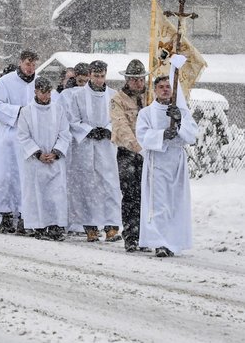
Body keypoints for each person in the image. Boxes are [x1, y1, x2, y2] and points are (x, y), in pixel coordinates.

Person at [135, 75, 199, 257]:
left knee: (175, 203)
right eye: (161, 87)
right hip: (158, 162)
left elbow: (192, 134)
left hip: (176, 162)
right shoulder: (146, 113)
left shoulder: (181, 111)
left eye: (168, 87)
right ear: (155, 90)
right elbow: (142, 136)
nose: (165, 90)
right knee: (160, 203)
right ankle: (160, 242)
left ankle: (173, 240)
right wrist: (163, 135)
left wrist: (179, 122)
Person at [0, 50, 38, 233]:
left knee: (26, 179)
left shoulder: (38, 81)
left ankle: (24, 216)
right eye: (28, 64)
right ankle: (6, 215)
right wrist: (16, 112)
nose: (30, 68)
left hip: (30, 138)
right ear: (20, 62)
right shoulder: (6, 82)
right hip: (9, 138)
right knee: (6, 178)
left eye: (34, 64)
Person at [65, 60, 123, 243]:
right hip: (86, 146)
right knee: (87, 185)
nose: (99, 80)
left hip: (106, 146)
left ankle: (111, 226)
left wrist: (108, 128)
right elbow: (72, 120)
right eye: (96, 76)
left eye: (102, 76)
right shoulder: (77, 96)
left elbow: (119, 119)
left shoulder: (114, 96)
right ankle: (90, 226)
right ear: (89, 74)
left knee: (109, 184)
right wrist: (88, 130)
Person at [17, 77, 71, 240]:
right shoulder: (26, 111)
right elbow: (23, 136)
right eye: (43, 92)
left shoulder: (58, 110)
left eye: (49, 92)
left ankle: (55, 225)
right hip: (35, 162)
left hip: (54, 161)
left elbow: (65, 134)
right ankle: (38, 226)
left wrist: (56, 151)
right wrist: (38, 153)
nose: (46, 96)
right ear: (36, 91)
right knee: (36, 194)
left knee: (56, 194)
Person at [110, 59, 150, 252]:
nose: (138, 83)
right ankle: (131, 235)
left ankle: (147, 234)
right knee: (131, 194)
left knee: (148, 195)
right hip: (128, 153)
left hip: (150, 153)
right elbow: (121, 126)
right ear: (127, 79)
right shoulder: (118, 99)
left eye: (141, 79)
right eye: (134, 79)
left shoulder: (151, 96)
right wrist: (136, 146)